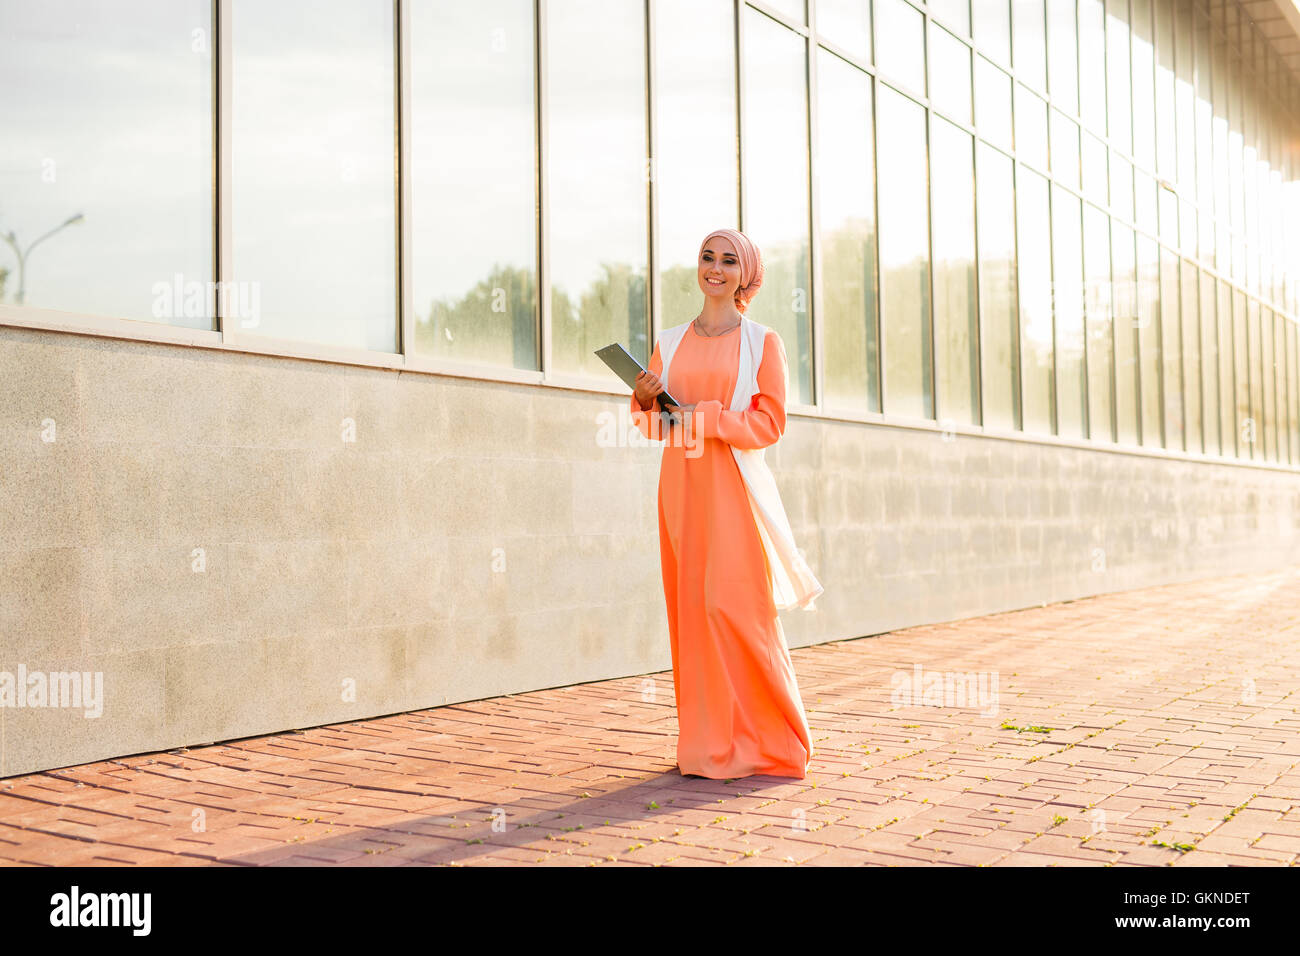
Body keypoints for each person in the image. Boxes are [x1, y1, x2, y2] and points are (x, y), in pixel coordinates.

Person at [629, 227, 822, 780]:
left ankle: (775, 741)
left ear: (746, 274)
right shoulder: (669, 340)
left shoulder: (763, 342)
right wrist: (642, 401)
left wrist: (711, 419)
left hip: (733, 490)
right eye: (707, 257)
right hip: (681, 490)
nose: (715, 268)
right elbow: (657, 426)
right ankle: (705, 746)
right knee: (692, 613)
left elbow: (770, 423)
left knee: (734, 610)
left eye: (728, 260)